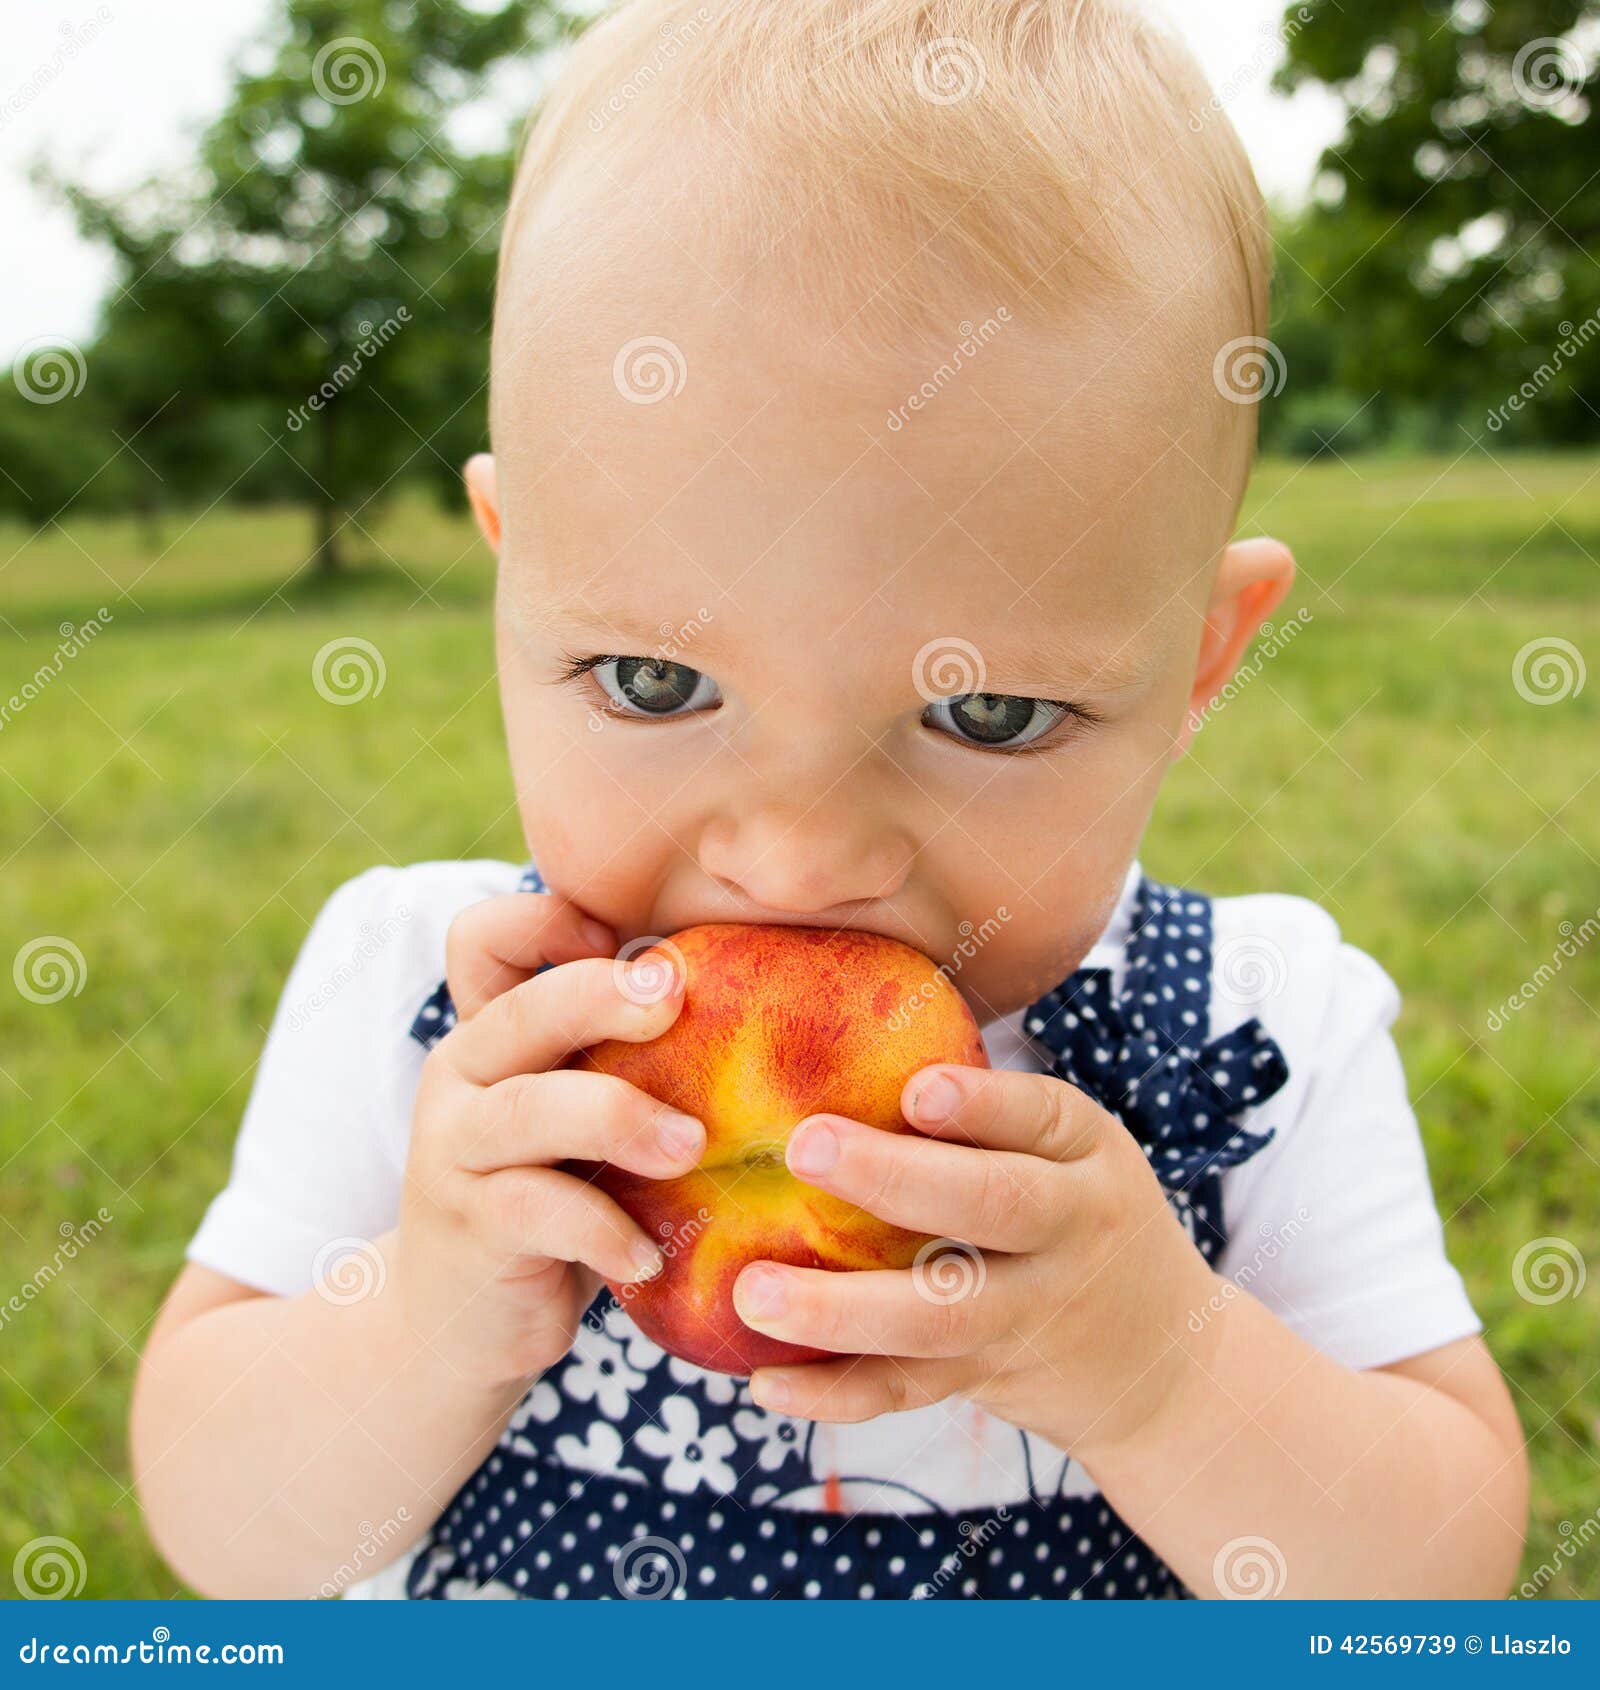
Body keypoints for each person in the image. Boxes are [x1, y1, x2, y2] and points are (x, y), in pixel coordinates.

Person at [131, 0, 1527, 1600]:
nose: (798, 858)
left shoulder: (1250, 1036)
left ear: (1200, 660)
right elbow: (229, 1538)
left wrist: (1165, 1372)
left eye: (987, 711)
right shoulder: (424, 1014)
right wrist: (423, 1317)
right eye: (654, 681)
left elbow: (1435, 1588)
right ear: (515, 584)